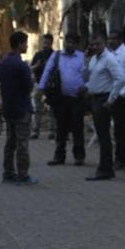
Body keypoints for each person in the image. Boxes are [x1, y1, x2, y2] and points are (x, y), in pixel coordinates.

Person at [38, 33, 86, 166]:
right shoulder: (57, 55)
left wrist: (86, 87)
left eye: (71, 42)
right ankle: (59, 156)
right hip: (60, 98)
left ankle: (79, 156)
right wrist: (41, 87)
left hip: (77, 98)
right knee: (61, 128)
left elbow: (88, 74)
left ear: (76, 45)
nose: (68, 44)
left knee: (77, 127)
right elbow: (47, 71)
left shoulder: (82, 57)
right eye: (66, 41)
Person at [83, 34, 125, 181]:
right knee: (102, 135)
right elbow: (89, 77)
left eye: (98, 44)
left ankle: (105, 169)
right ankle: (105, 168)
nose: (95, 47)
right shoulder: (94, 58)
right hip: (94, 98)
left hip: (103, 100)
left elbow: (120, 79)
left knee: (104, 136)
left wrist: (111, 99)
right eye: (92, 45)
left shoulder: (109, 59)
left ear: (104, 44)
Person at [0, 31, 37, 185]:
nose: (26, 46)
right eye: (25, 43)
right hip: (21, 108)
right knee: (22, 143)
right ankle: (23, 174)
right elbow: (28, 86)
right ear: (20, 44)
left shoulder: (3, 63)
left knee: (10, 142)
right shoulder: (21, 65)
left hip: (8, 107)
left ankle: (8, 173)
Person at [106, 30, 125, 170]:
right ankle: (116, 158)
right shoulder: (108, 54)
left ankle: (124, 159)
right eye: (109, 38)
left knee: (121, 128)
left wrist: (123, 94)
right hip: (109, 95)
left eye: (114, 38)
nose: (111, 41)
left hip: (121, 96)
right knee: (114, 129)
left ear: (120, 40)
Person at [30, 33, 56, 140]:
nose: (45, 44)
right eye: (44, 42)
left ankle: (51, 131)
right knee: (37, 108)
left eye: (48, 43)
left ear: (51, 43)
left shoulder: (54, 55)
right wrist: (37, 66)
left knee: (52, 109)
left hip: (51, 85)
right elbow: (31, 68)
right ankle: (35, 131)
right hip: (38, 84)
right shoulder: (38, 55)